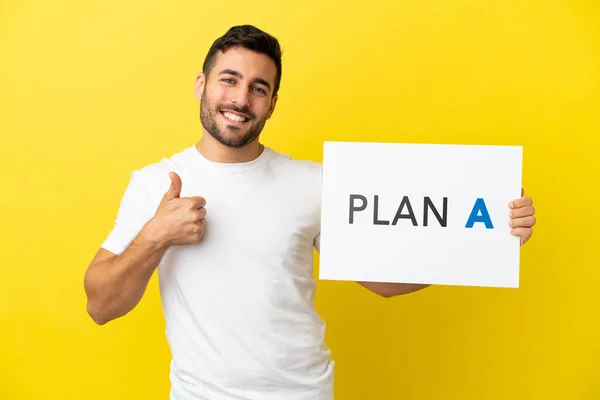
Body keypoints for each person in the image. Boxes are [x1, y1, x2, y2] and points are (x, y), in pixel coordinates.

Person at [83, 24, 537, 400]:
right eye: (229, 79)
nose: (241, 99)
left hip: (304, 393)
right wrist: (156, 235)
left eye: (258, 88)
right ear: (201, 84)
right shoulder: (153, 183)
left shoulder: (315, 182)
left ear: (272, 103)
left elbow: (384, 281)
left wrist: (487, 239)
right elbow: (101, 305)